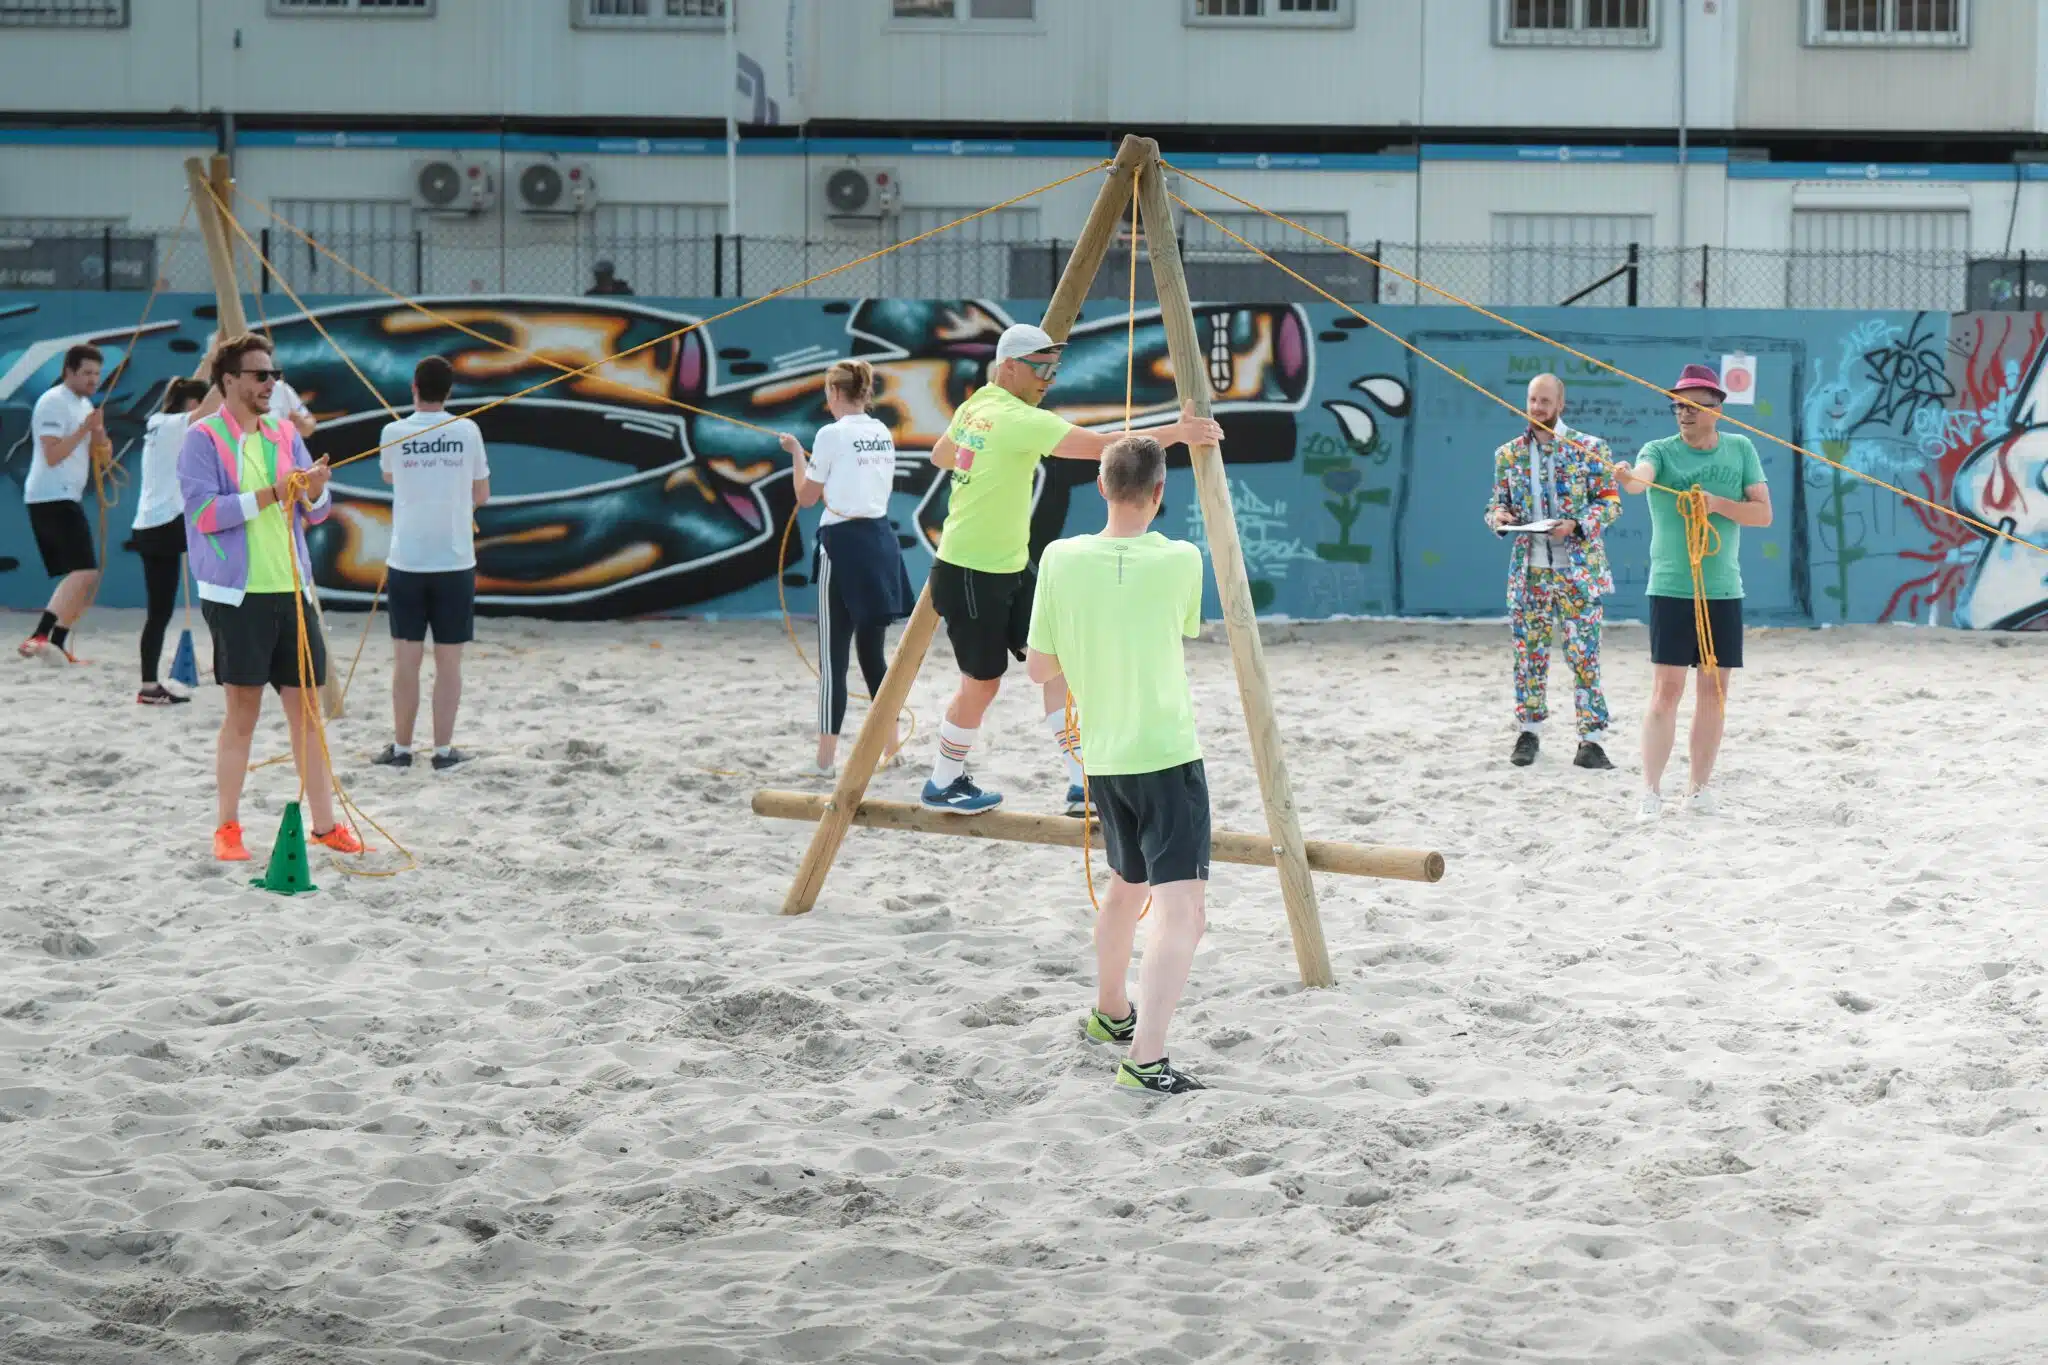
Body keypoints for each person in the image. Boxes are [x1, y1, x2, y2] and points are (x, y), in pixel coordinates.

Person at [921, 321, 1223, 817]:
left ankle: (1080, 782)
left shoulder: (979, 405)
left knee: (1056, 660)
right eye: (1040, 369)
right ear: (1009, 367)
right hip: (970, 571)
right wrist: (1178, 433)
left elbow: (941, 455)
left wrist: (978, 462)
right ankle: (943, 780)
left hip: (1007, 565)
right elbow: (1109, 447)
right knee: (983, 682)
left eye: (1054, 369)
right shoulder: (1018, 419)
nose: (1050, 379)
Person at [1025, 433, 1209, 1096]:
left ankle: (1111, 1012)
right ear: (1159, 492)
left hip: (1103, 757)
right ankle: (1146, 1058)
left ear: (1101, 486)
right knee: (1182, 911)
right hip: (1165, 752)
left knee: (1128, 886)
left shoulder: (1059, 557)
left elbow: (1039, 668)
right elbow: (1183, 626)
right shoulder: (1182, 558)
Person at [178, 332, 363, 862]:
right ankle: (227, 827)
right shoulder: (202, 437)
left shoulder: (284, 433)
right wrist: (271, 495)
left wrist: (316, 490)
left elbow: (316, 512)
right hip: (237, 595)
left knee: (308, 714)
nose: (271, 384)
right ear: (229, 380)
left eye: (274, 375)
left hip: (293, 589)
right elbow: (204, 514)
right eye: (261, 375)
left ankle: (324, 827)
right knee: (243, 713)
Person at [1614, 363, 1773, 821]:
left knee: (1713, 691)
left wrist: (1717, 504)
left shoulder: (1741, 449)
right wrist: (1627, 476)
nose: (1683, 413)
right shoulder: (1659, 450)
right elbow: (1640, 480)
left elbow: (1762, 513)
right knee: (1666, 690)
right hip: (1671, 587)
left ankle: (1698, 790)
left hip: (1722, 589)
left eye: (1693, 405)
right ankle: (1650, 792)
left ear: (1716, 409)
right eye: (1678, 405)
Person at [777, 359, 912, 776]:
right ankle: (891, 751)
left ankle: (824, 762)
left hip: (842, 548)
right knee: (873, 656)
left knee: (833, 661)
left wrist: (796, 455)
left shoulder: (830, 434)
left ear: (835, 392)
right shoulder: (881, 431)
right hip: (880, 544)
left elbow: (806, 497)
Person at [1483, 373, 1622, 770]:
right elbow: (1496, 504)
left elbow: (1610, 503)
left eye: (1545, 401)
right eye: (1532, 400)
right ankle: (1528, 733)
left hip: (1578, 573)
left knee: (1584, 656)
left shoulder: (1590, 448)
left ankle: (1591, 742)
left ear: (1560, 404)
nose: (1537, 407)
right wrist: (1499, 517)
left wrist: (1576, 524)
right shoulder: (1508, 454)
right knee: (1528, 656)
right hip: (1529, 573)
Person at [370, 355, 490, 772]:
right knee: (449, 661)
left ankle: (402, 749)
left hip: (408, 560)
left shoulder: (393, 431)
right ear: (449, 391)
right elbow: (482, 493)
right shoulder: (467, 430)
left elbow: (389, 475)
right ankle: (442, 751)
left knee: (407, 660)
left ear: (414, 388)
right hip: (454, 560)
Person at [132, 374, 219, 704]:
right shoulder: (176, 426)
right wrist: (229, 372)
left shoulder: (159, 423)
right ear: (193, 404)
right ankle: (228, 662)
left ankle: (148, 685)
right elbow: (209, 407)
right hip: (168, 525)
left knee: (159, 613)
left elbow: (200, 391)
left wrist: (213, 356)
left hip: (150, 526)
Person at [19, 344, 106, 664]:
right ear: (69, 372)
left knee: (85, 575)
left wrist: (98, 431)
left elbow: (103, 453)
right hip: (50, 495)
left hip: (66, 495)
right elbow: (53, 454)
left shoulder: (84, 404)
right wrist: (84, 428)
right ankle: (40, 635)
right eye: (86, 373)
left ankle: (55, 641)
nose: (93, 379)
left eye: (97, 374)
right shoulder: (53, 401)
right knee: (83, 572)